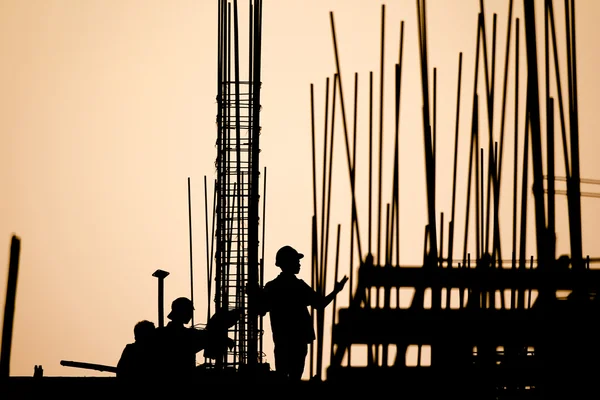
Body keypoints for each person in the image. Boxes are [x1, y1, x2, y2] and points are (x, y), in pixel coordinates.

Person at [250, 245, 348, 382]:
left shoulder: (273, 287)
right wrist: (336, 291)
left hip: (282, 342)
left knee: (283, 378)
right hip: (298, 342)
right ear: (288, 263)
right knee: (295, 378)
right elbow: (320, 304)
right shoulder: (298, 286)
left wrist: (256, 295)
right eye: (296, 261)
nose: (299, 264)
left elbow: (260, 310)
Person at [154, 297, 239, 381]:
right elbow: (208, 336)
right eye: (189, 312)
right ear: (183, 313)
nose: (191, 315)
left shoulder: (159, 333)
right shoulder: (187, 335)